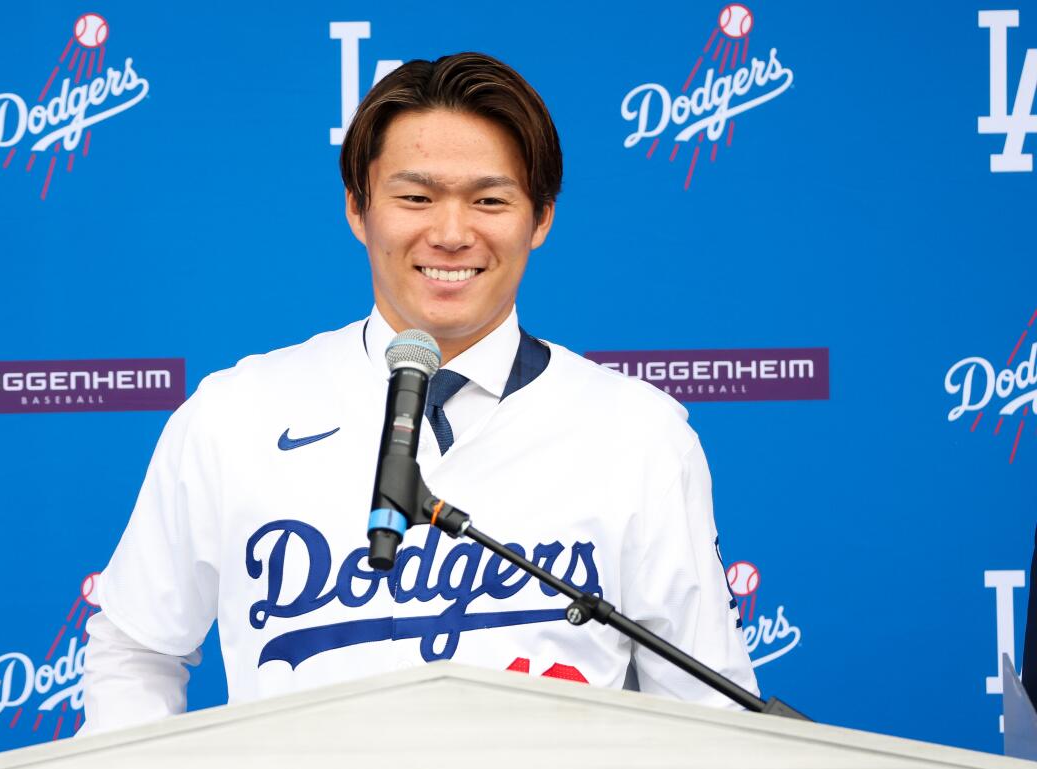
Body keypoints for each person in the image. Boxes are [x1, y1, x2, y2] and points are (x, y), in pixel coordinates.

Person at [79, 52, 756, 734]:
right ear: (358, 209)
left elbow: (707, 704)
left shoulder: (637, 432)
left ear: (542, 217)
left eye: (490, 200)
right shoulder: (234, 415)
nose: (453, 233)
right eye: (416, 197)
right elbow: (134, 650)